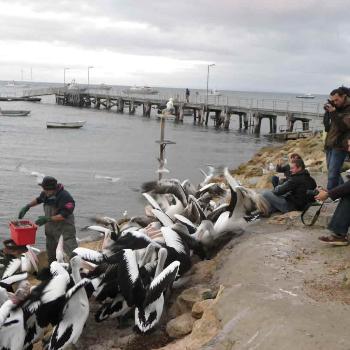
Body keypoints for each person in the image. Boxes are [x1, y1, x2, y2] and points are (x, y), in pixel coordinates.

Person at [18, 176, 78, 264]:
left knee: (71, 252)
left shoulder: (65, 197)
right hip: (51, 229)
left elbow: (64, 215)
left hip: (64, 230)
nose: (44, 191)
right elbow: (39, 199)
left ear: (53, 189)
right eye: (44, 188)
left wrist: (48, 218)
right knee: (51, 252)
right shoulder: (46, 193)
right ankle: (52, 269)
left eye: (46, 189)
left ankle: (78, 271)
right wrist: (27, 206)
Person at [323, 86, 350, 190]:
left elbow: (343, 127)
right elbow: (328, 126)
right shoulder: (337, 107)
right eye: (332, 100)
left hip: (340, 145)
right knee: (332, 171)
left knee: (333, 173)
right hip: (330, 142)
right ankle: (342, 192)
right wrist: (328, 111)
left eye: (336, 100)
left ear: (344, 97)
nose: (335, 102)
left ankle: (329, 195)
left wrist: (333, 112)